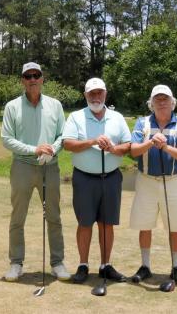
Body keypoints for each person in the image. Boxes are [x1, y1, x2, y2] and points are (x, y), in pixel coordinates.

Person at [1, 62, 70, 282]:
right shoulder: (12, 106)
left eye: (36, 75)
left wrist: (51, 149)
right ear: (22, 80)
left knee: (54, 216)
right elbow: (7, 139)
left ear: (42, 78)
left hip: (50, 166)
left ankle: (57, 262)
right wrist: (34, 149)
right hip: (22, 166)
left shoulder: (55, 105)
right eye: (28, 76)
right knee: (18, 216)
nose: (32, 79)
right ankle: (16, 263)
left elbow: (63, 135)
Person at [62, 78, 131, 284]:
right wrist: (93, 141)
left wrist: (111, 148)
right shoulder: (76, 117)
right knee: (85, 223)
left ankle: (105, 265)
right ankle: (83, 265)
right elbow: (68, 144)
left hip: (110, 178)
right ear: (85, 96)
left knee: (106, 223)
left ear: (105, 94)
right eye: (91, 93)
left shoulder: (117, 117)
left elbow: (127, 145)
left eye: (99, 93)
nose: (96, 97)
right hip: (84, 178)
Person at [128, 84, 177, 285]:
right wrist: (151, 142)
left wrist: (165, 146)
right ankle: (145, 266)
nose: (162, 102)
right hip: (146, 180)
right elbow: (134, 151)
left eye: (165, 99)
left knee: (175, 226)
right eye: (158, 99)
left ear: (172, 102)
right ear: (152, 103)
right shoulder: (143, 123)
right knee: (144, 224)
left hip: (173, 181)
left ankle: (175, 267)